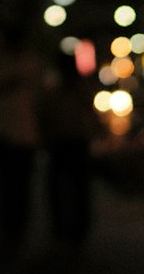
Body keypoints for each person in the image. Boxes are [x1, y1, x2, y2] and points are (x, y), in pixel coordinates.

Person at [0, 18, 43, 261]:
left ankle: (17, 232)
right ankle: (9, 232)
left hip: (22, 133)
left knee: (18, 186)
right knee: (6, 186)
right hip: (4, 132)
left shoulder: (27, 61)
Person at [39, 50, 101, 250]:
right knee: (76, 187)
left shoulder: (59, 90)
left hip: (65, 141)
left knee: (61, 187)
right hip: (72, 141)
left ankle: (65, 231)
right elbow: (90, 116)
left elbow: (46, 116)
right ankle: (75, 231)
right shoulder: (75, 89)